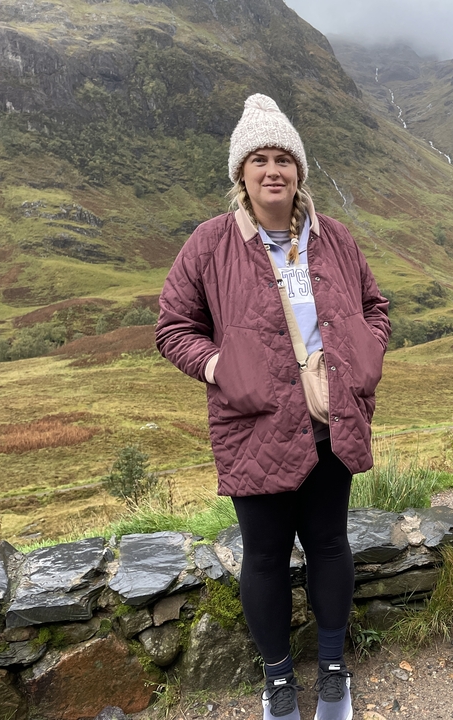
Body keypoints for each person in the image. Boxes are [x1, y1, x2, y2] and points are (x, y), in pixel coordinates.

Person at [156, 94, 390, 720]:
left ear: (299, 171)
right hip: (254, 424)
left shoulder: (335, 239)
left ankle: (335, 670)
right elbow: (174, 326)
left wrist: (365, 359)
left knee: (330, 543)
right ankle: (279, 679)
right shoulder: (209, 244)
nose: (272, 171)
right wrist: (219, 369)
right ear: (242, 174)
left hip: (331, 420)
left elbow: (375, 307)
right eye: (259, 159)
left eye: (283, 158)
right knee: (262, 555)